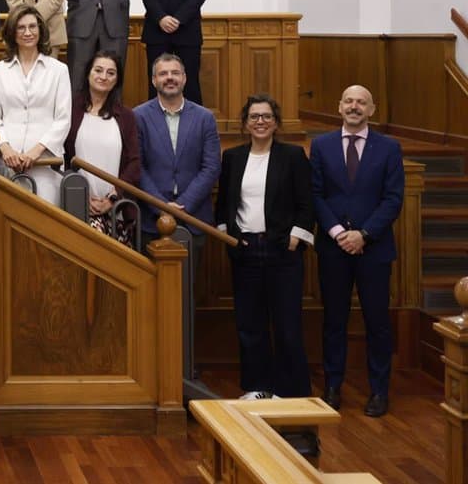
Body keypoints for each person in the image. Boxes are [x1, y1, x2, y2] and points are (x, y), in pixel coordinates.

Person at [311, 85, 404, 418]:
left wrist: (364, 234)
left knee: (377, 322)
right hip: (333, 248)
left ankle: (379, 391)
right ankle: (333, 387)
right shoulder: (320, 146)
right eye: (348, 101)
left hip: (374, 250)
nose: (354, 106)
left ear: (372, 109)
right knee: (333, 321)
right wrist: (338, 233)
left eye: (361, 102)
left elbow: (393, 199)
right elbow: (316, 195)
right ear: (339, 106)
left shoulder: (389, 148)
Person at [215, 94, 314, 401]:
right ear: (245, 123)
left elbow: (307, 204)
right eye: (254, 117)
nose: (260, 122)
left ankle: (290, 392)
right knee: (250, 324)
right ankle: (257, 387)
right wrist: (228, 237)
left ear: (276, 122)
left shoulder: (293, 156)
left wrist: (296, 237)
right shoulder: (233, 158)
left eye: (266, 117)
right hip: (245, 251)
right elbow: (224, 205)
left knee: (286, 325)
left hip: (282, 251)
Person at [134, 52, 220, 259]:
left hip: (193, 217)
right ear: (154, 80)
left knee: (186, 287)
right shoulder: (138, 116)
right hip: (151, 219)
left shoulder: (204, 118)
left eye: (175, 73)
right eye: (163, 74)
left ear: (184, 78)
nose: (169, 78)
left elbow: (211, 167)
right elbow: (137, 166)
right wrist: (161, 206)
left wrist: (183, 206)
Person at [0, 6, 72, 204]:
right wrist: (5, 148)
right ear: (12, 33)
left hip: (46, 162)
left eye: (33, 26)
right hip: (8, 163)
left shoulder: (58, 70)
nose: (27, 32)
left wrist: (36, 151)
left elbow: (63, 119)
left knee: (44, 223)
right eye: (21, 27)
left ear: (41, 30)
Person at [64, 50, 141, 247]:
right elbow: (62, 157)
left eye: (111, 73)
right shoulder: (69, 111)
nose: (103, 77)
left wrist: (113, 197)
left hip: (116, 210)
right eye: (98, 70)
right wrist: (81, 196)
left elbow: (134, 162)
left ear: (117, 80)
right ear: (88, 74)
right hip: (79, 205)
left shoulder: (126, 116)